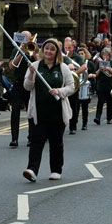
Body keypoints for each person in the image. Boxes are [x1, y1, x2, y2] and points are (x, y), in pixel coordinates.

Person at [22, 38, 76, 182]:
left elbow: (71, 87)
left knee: (56, 142)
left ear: (57, 52)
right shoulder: (34, 65)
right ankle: (32, 170)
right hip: (38, 111)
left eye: (52, 49)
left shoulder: (63, 67)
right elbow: (27, 86)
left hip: (57, 112)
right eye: (46, 49)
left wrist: (59, 91)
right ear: (42, 50)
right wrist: (32, 74)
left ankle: (56, 170)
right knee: (36, 142)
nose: (49, 51)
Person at [8, 33, 34, 147]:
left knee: (31, 112)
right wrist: (21, 51)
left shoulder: (34, 48)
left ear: (30, 38)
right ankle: (14, 139)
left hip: (30, 84)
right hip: (18, 83)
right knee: (15, 111)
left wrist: (32, 51)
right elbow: (12, 66)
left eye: (26, 37)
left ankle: (31, 137)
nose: (24, 39)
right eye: (22, 37)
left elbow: (39, 61)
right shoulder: (16, 50)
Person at [92, 46, 112, 126]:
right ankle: (97, 117)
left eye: (107, 55)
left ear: (110, 56)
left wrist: (109, 69)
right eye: (104, 55)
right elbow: (96, 74)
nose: (105, 57)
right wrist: (100, 69)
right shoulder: (99, 62)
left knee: (110, 102)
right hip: (101, 84)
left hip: (110, 84)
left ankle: (109, 118)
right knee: (100, 102)